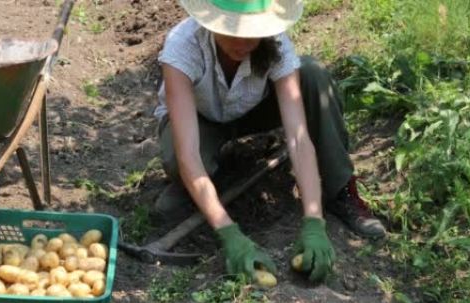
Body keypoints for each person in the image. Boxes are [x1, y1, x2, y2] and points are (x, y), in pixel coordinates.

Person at [153, 0, 386, 283]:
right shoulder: (183, 44)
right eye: (232, 32)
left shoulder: (276, 45)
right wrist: (229, 232)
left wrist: (314, 221)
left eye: (252, 34)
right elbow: (188, 153)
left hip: (254, 110)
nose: (242, 43)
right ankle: (211, 178)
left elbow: (299, 140)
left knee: (313, 74)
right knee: (180, 161)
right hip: (200, 118)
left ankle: (340, 190)